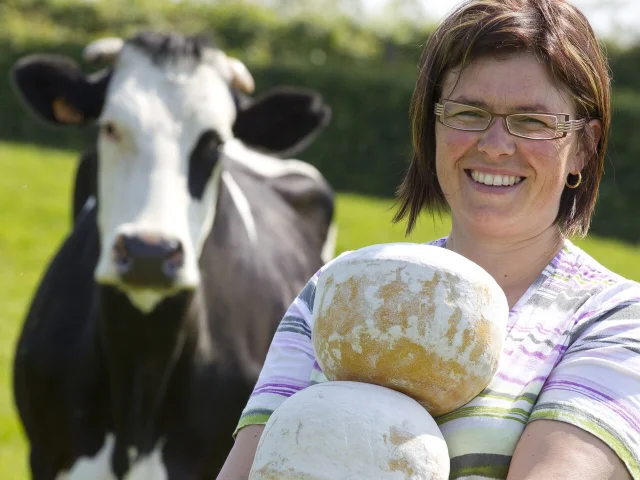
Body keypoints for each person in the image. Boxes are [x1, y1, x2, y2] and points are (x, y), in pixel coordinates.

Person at [218, 0, 640, 478]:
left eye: (532, 121)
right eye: (468, 112)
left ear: (583, 146)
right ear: (432, 126)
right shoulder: (339, 289)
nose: (496, 144)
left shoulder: (616, 321)